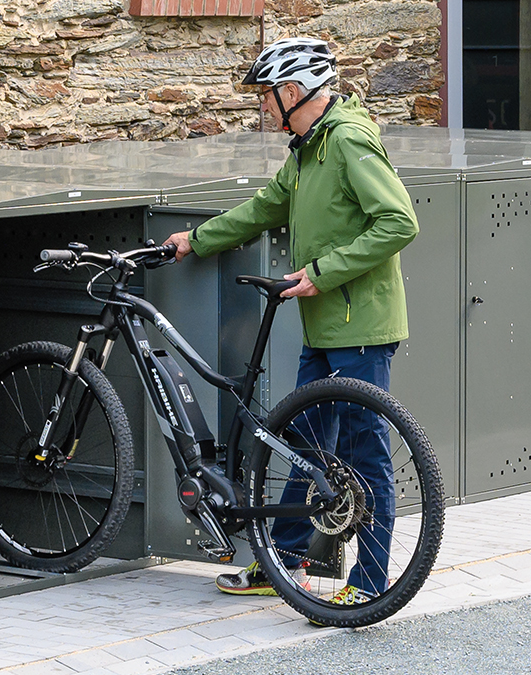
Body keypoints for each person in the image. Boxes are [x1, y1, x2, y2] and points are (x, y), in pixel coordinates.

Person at [163, 37, 419, 615]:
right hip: (327, 324)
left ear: (294, 92)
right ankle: (283, 560)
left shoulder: (348, 140)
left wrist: (324, 273)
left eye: (266, 97)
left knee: (363, 451)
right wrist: (194, 241)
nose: (262, 108)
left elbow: (399, 222)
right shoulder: (307, 149)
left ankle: (372, 581)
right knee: (305, 445)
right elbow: (264, 208)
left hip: (361, 324)